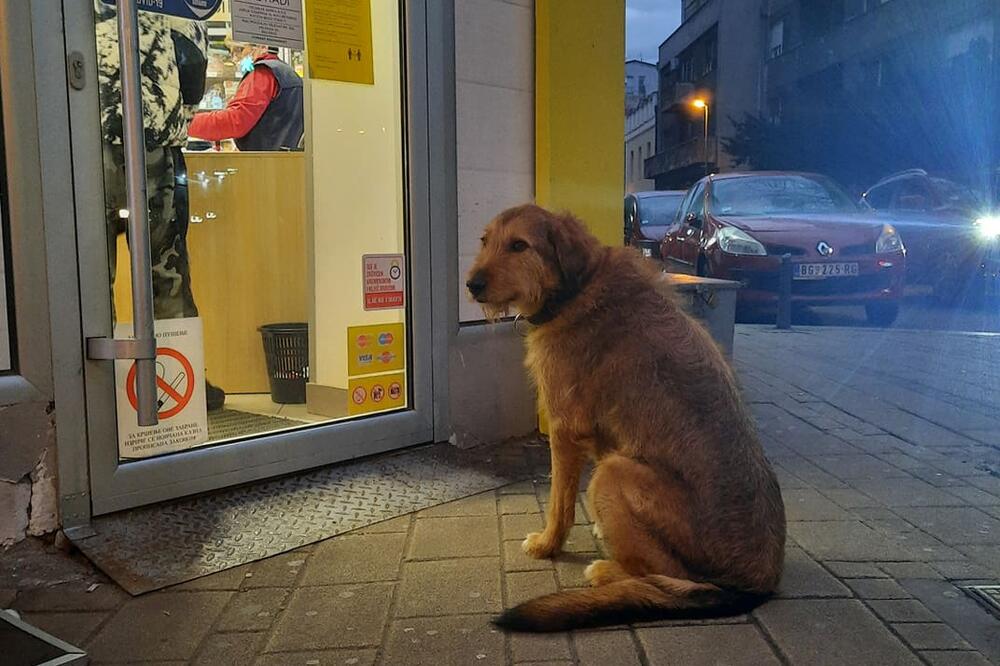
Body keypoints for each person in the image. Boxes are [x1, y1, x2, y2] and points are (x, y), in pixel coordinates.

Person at [95, 3, 226, 411]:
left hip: (81, 144)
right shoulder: (173, 7)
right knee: (165, 270)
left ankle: (100, 396)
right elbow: (192, 75)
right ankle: (180, 387)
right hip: (153, 147)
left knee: (89, 280)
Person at [188, 44, 304, 151]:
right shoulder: (287, 72)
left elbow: (235, 121)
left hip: (264, 164)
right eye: (232, 52)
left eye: (240, 49)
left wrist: (185, 123)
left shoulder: (262, 73)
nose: (235, 57)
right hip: (285, 161)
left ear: (261, 46)